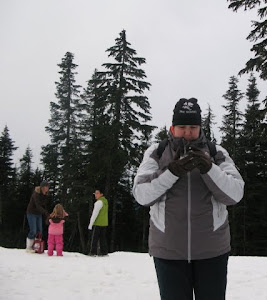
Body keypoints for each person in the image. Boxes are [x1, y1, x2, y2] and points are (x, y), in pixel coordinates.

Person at [133, 98, 244, 300]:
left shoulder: (216, 152)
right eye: (182, 126)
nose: (187, 132)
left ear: (200, 127)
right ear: (172, 127)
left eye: (193, 127)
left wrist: (210, 169)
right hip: (168, 252)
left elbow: (235, 193)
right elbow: (141, 194)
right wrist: (171, 172)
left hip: (212, 251)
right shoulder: (157, 153)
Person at [26, 180, 50, 252]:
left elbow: (44, 205)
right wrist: (46, 213)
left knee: (40, 231)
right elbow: (38, 206)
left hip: (38, 213)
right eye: (46, 187)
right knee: (33, 230)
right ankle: (29, 247)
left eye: (48, 187)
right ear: (42, 187)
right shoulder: (36, 194)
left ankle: (36, 246)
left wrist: (47, 213)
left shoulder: (45, 194)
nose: (47, 188)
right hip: (31, 213)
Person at [88, 187, 109, 256]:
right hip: (104, 223)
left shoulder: (99, 202)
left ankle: (93, 252)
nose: (95, 195)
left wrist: (90, 224)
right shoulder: (105, 201)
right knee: (103, 238)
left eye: (97, 193)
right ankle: (104, 252)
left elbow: (95, 214)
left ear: (101, 194)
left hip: (98, 223)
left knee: (95, 238)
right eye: (95, 193)